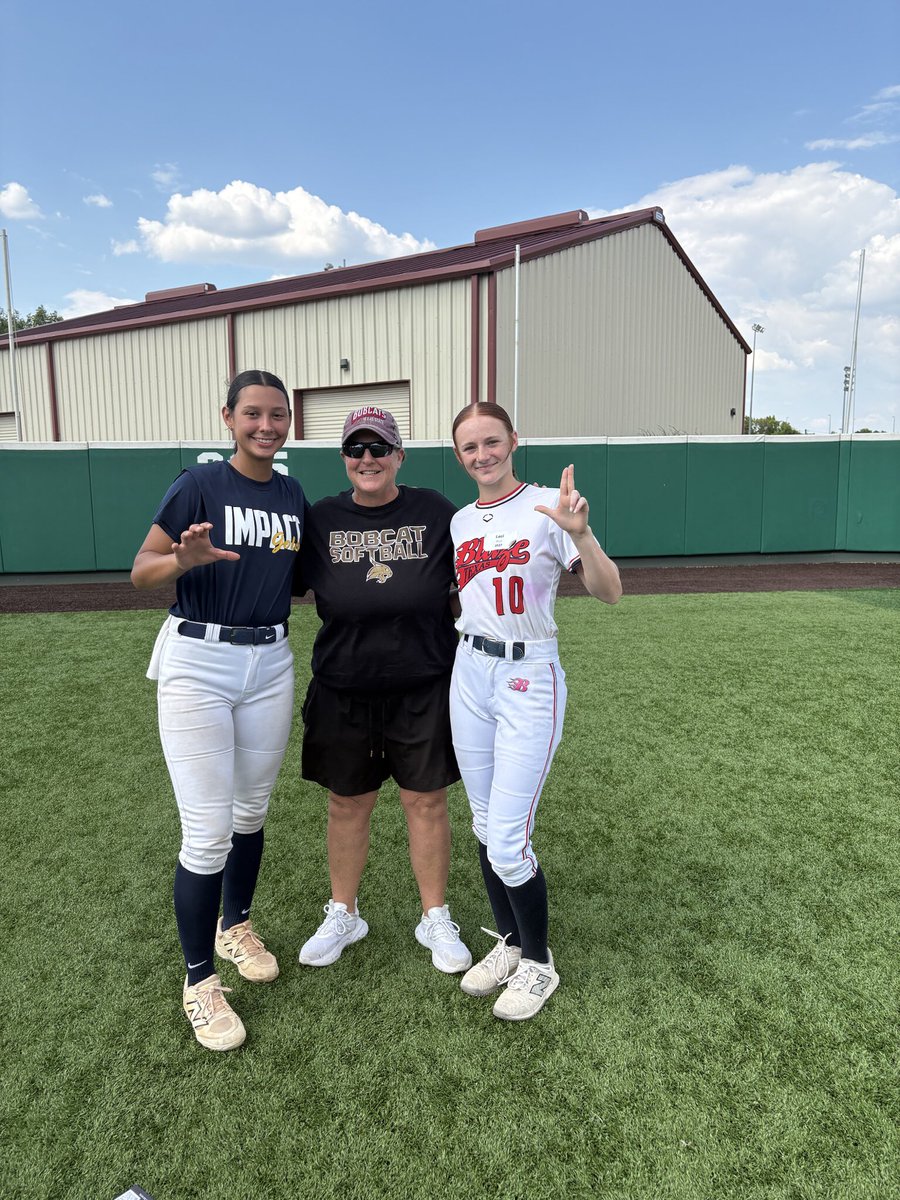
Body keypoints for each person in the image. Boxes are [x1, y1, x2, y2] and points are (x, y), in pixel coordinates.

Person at [131, 369, 306, 1051]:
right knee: (206, 832)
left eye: (278, 415)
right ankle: (199, 981)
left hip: (270, 661)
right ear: (228, 417)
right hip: (199, 661)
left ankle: (236, 927)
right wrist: (181, 559)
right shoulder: (199, 482)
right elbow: (141, 569)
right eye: (253, 414)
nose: (267, 426)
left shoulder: (291, 492)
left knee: (251, 813)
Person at [449, 401, 622, 1020]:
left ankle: (539, 963)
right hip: (469, 672)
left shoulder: (551, 504)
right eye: (469, 447)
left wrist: (581, 534)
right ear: (459, 455)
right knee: (482, 823)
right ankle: (512, 941)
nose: (482, 455)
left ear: (513, 440)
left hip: (529, 673)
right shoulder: (461, 521)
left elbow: (610, 592)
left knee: (507, 841)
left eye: (491, 442)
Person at [296, 406, 471, 975]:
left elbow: (467, 586)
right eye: (356, 449)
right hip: (344, 685)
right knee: (348, 803)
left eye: (379, 448)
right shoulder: (320, 518)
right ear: (344, 459)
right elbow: (283, 580)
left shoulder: (435, 511)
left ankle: (435, 916)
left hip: (423, 683)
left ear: (400, 455)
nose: (366, 459)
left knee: (426, 801)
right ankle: (344, 912)